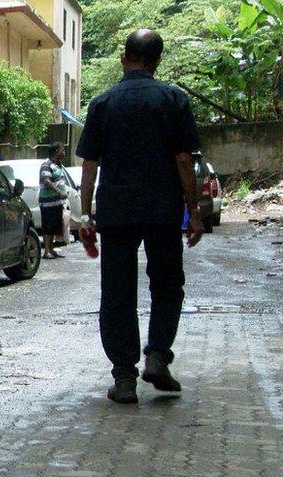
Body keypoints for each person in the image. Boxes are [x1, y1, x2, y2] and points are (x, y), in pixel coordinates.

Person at [76, 29, 204, 404]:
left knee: (117, 292)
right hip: (162, 211)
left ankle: (124, 378)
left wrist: (86, 217)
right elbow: (184, 160)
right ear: (157, 61)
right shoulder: (173, 99)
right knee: (166, 285)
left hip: (116, 212)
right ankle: (158, 355)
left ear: (123, 57)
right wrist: (192, 212)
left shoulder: (102, 103)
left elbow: (89, 165)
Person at [38, 142, 70, 259]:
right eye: (62, 150)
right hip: (47, 202)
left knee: (54, 226)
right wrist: (58, 191)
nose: (64, 152)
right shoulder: (47, 164)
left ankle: (51, 249)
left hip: (57, 202)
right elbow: (46, 181)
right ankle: (46, 251)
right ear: (56, 151)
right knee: (48, 226)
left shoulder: (58, 165)